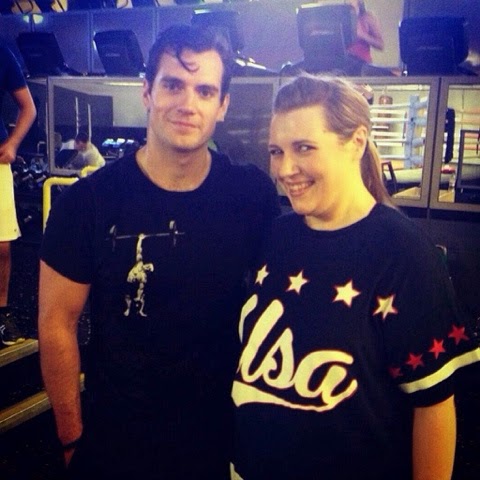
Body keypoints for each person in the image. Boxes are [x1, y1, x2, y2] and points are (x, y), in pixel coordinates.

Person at [38, 24, 279, 479]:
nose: (188, 103)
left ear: (223, 105)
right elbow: (56, 325)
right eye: (173, 85)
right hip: (116, 447)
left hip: (218, 444)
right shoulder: (87, 203)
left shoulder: (252, 196)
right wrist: (72, 440)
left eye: (205, 91)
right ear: (147, 91)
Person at [230, 74, 480, 480]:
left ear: (357, 142)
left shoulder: (404, 253)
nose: (285, 169)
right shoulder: (276, 235)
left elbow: (434, 406)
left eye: (304, 147)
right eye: (276, 151)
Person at [0, 41, 36, 346]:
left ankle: (2, 314)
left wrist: (12, 144)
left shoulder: (1, 51)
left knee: (1, 246)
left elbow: (29, 108)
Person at [346, 0, 384, 75]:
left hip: (362, 63)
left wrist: (362, 35)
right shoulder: (341, 18)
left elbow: (380, 45)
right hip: (344, 63)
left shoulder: (367, 17)